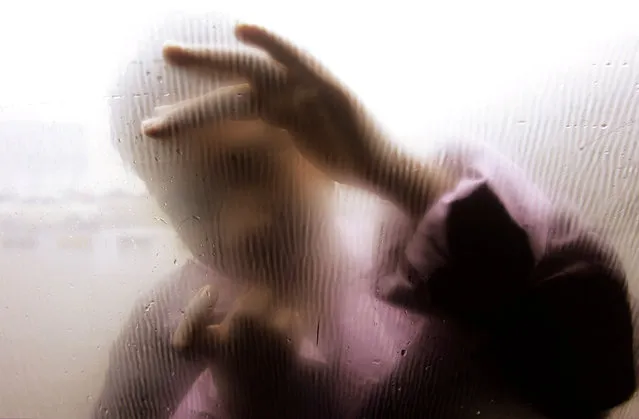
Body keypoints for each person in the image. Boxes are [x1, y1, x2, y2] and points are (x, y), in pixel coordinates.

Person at [93, 15, 637, 419]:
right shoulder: (164, 344)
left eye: (253, 166)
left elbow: (603, 371)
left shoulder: (427, 251)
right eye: (193, 200)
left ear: (311, 136)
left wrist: (388, 169)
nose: (242, 223)